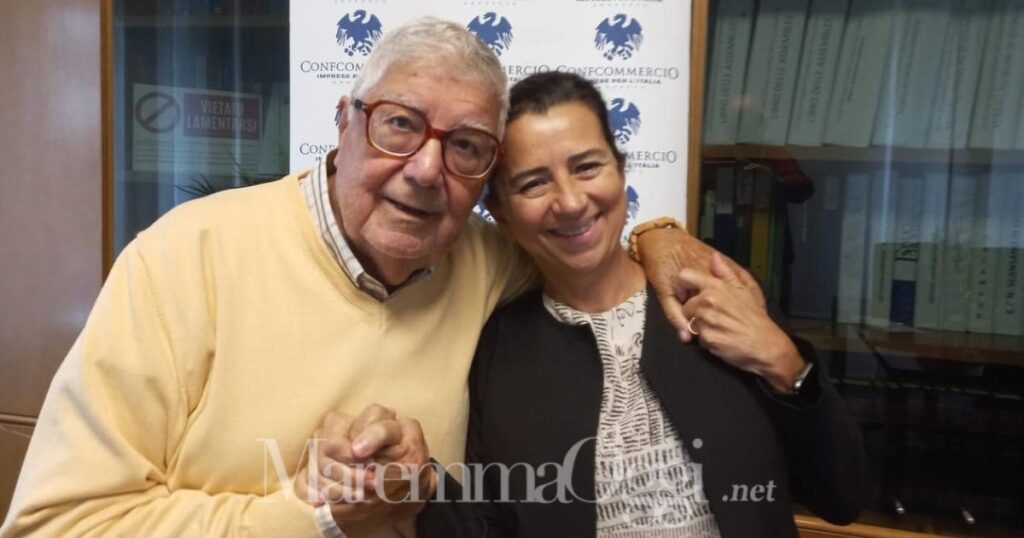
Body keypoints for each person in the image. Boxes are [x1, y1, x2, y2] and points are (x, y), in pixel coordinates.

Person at [0, 18, 733, 538]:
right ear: (345, 121)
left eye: (466, 147)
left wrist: (661, 238)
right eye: (400, 124)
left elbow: (580, 242)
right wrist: (309, 513)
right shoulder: (185, 258)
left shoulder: (486, 259)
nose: (426, 170)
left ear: (484, 184)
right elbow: (57, 523)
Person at [417, 72, 866, 537]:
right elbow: (488, 526)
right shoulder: (498, 351)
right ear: (501, 213)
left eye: (587, 167)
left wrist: (785, 363)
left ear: (621, 170)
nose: (570, 202)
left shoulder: (719, 295)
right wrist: (416, 485)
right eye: (533, 183)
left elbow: (843, 497)